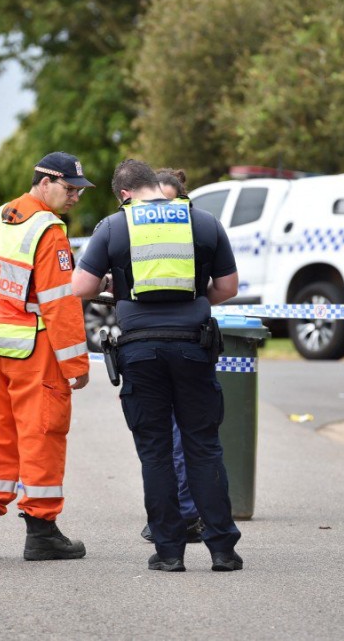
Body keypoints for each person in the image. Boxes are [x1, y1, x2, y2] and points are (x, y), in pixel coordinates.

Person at [71, 158, 243, 573]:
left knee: (156, 453)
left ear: (124, 194)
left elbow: (81, 287)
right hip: (193, 347)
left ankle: (168, 551)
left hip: (140, 352)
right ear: (155, 184)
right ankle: (222, 549)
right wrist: (193, 300)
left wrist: (117, 286)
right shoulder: (203, 222)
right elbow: (228, 287)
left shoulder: (114, 227)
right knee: (203, 446)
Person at [0, 151, 93, 562]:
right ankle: (41, 532)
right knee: (42, 434)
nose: (75, 197)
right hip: (31, 351)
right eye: (69, 189)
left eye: (78, 190)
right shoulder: (49, 230)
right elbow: (61, 303)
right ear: (45, 182)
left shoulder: (1, 215)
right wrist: (76, 364)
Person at [136, 167, 205, 545]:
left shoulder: (195, 228)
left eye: (170, 199)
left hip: (179, 344)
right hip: (156, 346)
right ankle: (178, 513)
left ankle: (183, 514)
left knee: (180, 438)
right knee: (164, 439)